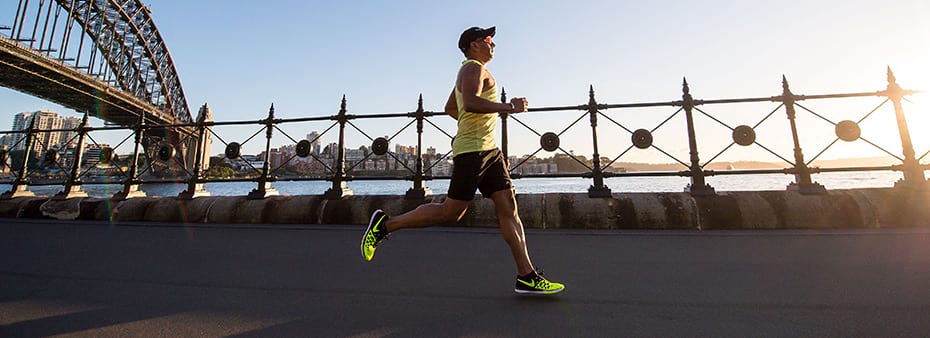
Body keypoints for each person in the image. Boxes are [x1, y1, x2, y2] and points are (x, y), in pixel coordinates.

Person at [360, 26, 565, 295]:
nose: (493, 44)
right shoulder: (472, 68)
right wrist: (508, 107)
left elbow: (451, 108)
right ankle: (384, 225)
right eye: (488, 39)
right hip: (473, 153)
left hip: (490, 151)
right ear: (473, 44)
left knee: (508, 207)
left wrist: (474, 126)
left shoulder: (474, 70)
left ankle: (527, 275)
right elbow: (469, 103)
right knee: (451, 212)